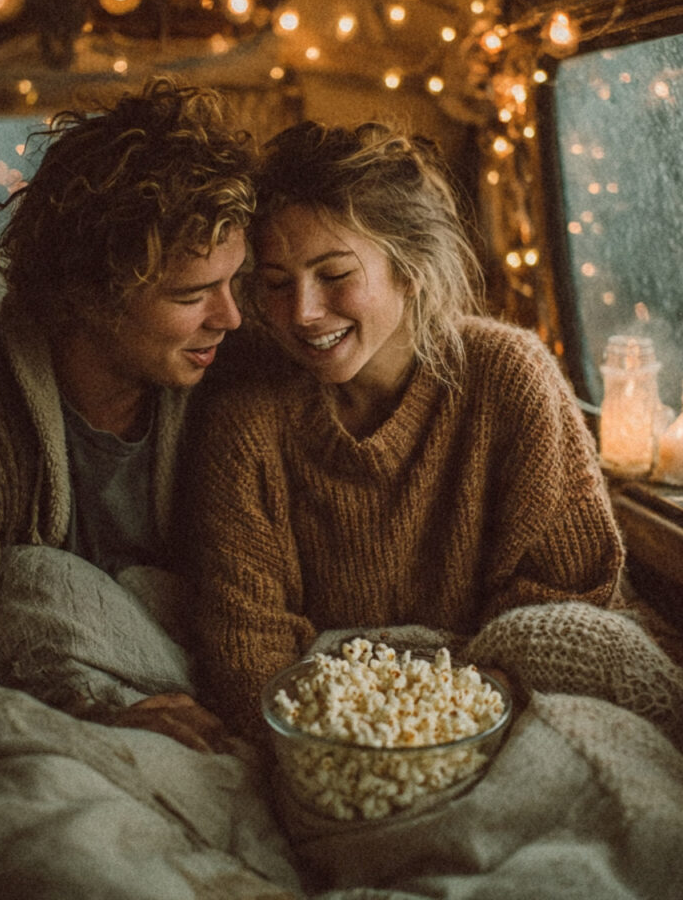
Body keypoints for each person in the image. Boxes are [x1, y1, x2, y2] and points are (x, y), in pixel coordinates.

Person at [0, 77, 256, 751]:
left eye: (235, 282)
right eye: (192, 295)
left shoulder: (235, 384)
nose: (229, 317)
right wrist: (95, 717)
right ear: (89, 291)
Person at [179, 119, 627, 742]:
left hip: (499, 715)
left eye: (335, 275)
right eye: (277, 284)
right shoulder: (248, 420)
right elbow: (246, 644)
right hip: (323, 732)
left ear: (409, 267)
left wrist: (444, 720)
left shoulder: (510, 378)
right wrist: (355, 739)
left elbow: (569, 599)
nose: (303, 313)